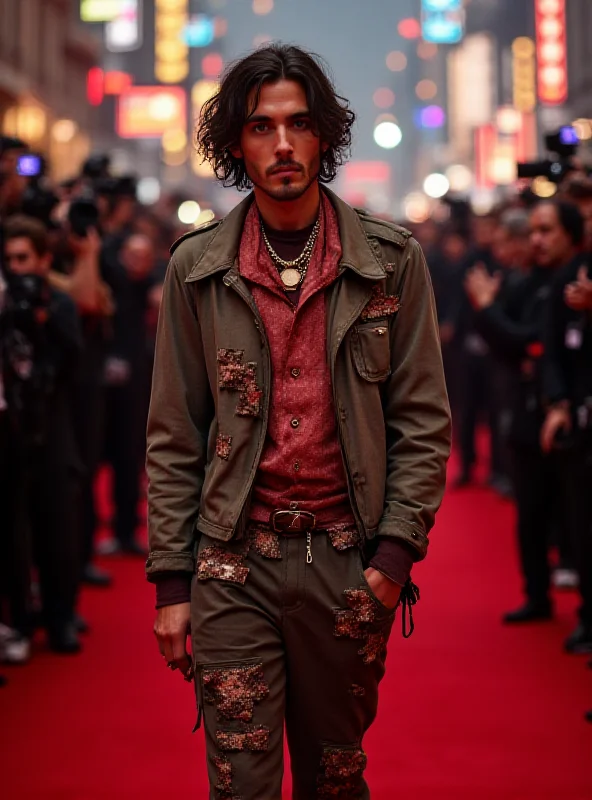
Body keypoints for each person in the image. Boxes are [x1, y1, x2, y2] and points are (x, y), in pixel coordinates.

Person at [146, 44, 450, 798]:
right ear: (235, 144)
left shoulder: (389, 260)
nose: (281, 144)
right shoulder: (197, 268)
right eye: (260, 127)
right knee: (238, 782)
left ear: (324, 137)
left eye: (299, 124)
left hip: (346, 563)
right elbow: (173, 432)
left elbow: (422, 418)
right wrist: (171, 584)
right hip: (232, 564)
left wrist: (391, 564)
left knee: (334, 777)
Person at [465, 200, 585, 624]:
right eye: (533, 231)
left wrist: (488, 310)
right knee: (529, 513)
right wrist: (489, 312)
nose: (537, 240)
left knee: (575, 516)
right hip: (527, 409)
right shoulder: (527, 281)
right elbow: (509, 345)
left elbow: (528, 341)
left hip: (565, 412)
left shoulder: (573, 279)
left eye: (546, 230)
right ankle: (536, 595)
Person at [1, 215, 83, 654]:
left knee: (58, 531)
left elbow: (74, 361)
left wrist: (43, 318)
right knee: (14, 534)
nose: (16, 268)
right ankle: (20, 621)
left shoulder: (60, 303)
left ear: (43, 260)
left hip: (52, 428)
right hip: (11, 433)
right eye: (9, 259)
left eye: (24, 259)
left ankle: (61, 618)